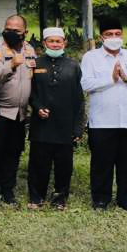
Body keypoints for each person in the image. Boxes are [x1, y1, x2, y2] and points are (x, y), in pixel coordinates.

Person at [81, 17, 127, 211]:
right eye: (109, 34)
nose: (114, 37)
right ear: (101, 37)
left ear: (122, 35)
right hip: (102, 121)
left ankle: (125, 201)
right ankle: (100, 200)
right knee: (101, 164)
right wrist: (111, 78)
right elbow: (85, 84)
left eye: (117, 34)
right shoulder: (91, 57)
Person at [28, 27, 84, 210]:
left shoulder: (73, 66)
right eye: (51, 41)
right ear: (44, 43)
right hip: (41, 123)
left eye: (58, 41)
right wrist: (37, 108)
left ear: (64, 43)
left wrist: (78, 127)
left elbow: (79, 99)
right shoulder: (35, 64)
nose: (55, 44)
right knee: (38, 163)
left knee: (63, 165)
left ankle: (60, 199)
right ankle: (36, 198)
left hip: (65, 124)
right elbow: (30, 92)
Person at [0, 14, 37, 206]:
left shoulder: (29, 49)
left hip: (21, 113)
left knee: (13, 153)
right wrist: (11, 65)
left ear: (25, 32)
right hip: (1, 112)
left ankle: (8, 191)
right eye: (8, 29)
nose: (11, 33)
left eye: (16, 30)